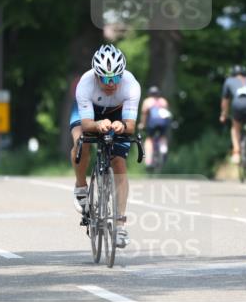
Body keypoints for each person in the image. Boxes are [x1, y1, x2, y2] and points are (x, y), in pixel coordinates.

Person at [70, 44, 141, 248]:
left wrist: (122, 126)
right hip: (90, 113)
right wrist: (97, 124)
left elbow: (130, 126)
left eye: (116, 78)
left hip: (118, 112)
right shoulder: (85, 84)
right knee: (81, 143)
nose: (111, 84)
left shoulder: (131, 85)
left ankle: (120, 225)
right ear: (96, 75)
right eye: (105, 79)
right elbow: (86, 124)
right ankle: (81, 187)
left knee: (119, 163)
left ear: (122, 74)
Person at [219, 65, 246, 165]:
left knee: (235, 128)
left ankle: (236, 153)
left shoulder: (229, 81)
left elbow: (225, 101)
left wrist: (224, 114)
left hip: (238, 105)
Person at [139, 85, 173, 168]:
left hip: (153, 123)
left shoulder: (147, 101)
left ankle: (148, 161)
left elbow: (144, 113)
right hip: (164, 122)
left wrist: (142, 124)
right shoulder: (163, 101)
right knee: (163, 137)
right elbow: (167, 113)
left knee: (149, 139)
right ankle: (163, 150)